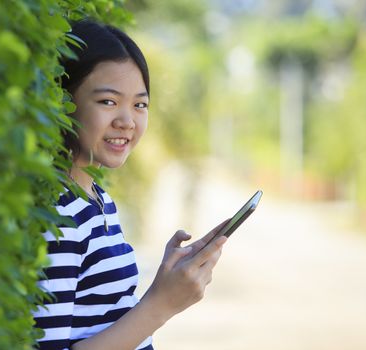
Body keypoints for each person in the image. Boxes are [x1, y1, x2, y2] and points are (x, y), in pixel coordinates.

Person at [32, 19, 229, 350]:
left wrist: (165, 284)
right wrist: (161, 304)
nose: (127, 121)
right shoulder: (59, 216)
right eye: (108, 101)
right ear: (65, 101)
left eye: (139, 104)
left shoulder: (97, 200)